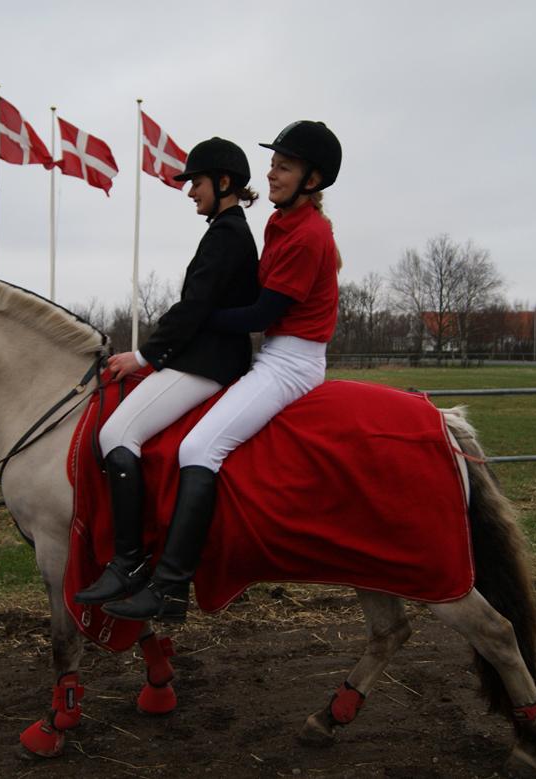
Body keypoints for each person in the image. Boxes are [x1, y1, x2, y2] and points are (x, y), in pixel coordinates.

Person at [105, 120, 342, 623]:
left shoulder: (310, 234)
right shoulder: (280, 223)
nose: (272, 174)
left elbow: (260, 316)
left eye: (285, 166)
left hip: (293, 363)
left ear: (312, 180)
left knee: (198, 447)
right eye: (273, 164)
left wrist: (198, 314)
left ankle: (171, 588)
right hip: (275, 353)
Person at [74, 138, 260, 607]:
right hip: (200, 357)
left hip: (207, 364)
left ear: (223, 182)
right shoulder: (225, 229)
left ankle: (130, 561)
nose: (190, 191)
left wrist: (143, 357)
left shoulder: (227, 234)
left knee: (116, 435)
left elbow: (193, 308)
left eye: (195, 182)